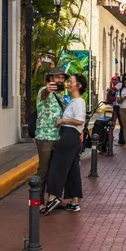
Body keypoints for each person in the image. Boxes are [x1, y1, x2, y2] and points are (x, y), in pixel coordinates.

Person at [44, 74, 89, 214]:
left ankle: (53, 197)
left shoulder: (79, 102)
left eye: (71, 82)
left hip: (68, 136)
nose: (68, 84)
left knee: (57, 166)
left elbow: (80, 120)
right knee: (72, 170)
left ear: (79, 86)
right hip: (72, 137)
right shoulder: (74, 101)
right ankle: (74, 201)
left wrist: (62, 121)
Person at [35, 69, 67, 206]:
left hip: (57, 137)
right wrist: (47, 89)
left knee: (54, 170)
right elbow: (44, 95)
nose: (60, 80)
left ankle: (53, 198)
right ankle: (37, 201)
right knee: (43, 169)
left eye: (62, 78)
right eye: (57, 77)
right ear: (50, 79)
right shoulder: (44, 90)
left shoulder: (59, 96)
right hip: (45, 137)